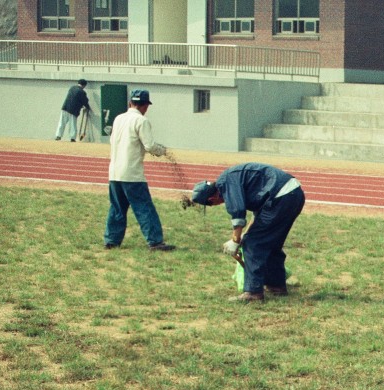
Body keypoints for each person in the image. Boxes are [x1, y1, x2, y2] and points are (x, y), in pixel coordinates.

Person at [190, 163, 305, 303]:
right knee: (271, 243)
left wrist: (235, 240)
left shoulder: (225, 183)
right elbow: (259, 213)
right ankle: (276, 285)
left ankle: (253, 292)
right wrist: (246, 233)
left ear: (211, 200)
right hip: (293, 194)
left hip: (280, 197)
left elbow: (238, 212)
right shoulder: (232, 178)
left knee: (253, 243)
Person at [104, 89, 175, 251]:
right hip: (132, 174)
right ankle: (155, 241)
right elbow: (149, 145)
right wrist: (162, 151)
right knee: (144, 207)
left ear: (130, 103)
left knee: (117, 208)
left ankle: (111, 240)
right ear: (145, 106)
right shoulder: (141, 121)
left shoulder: (118, 118)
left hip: (114, 173)